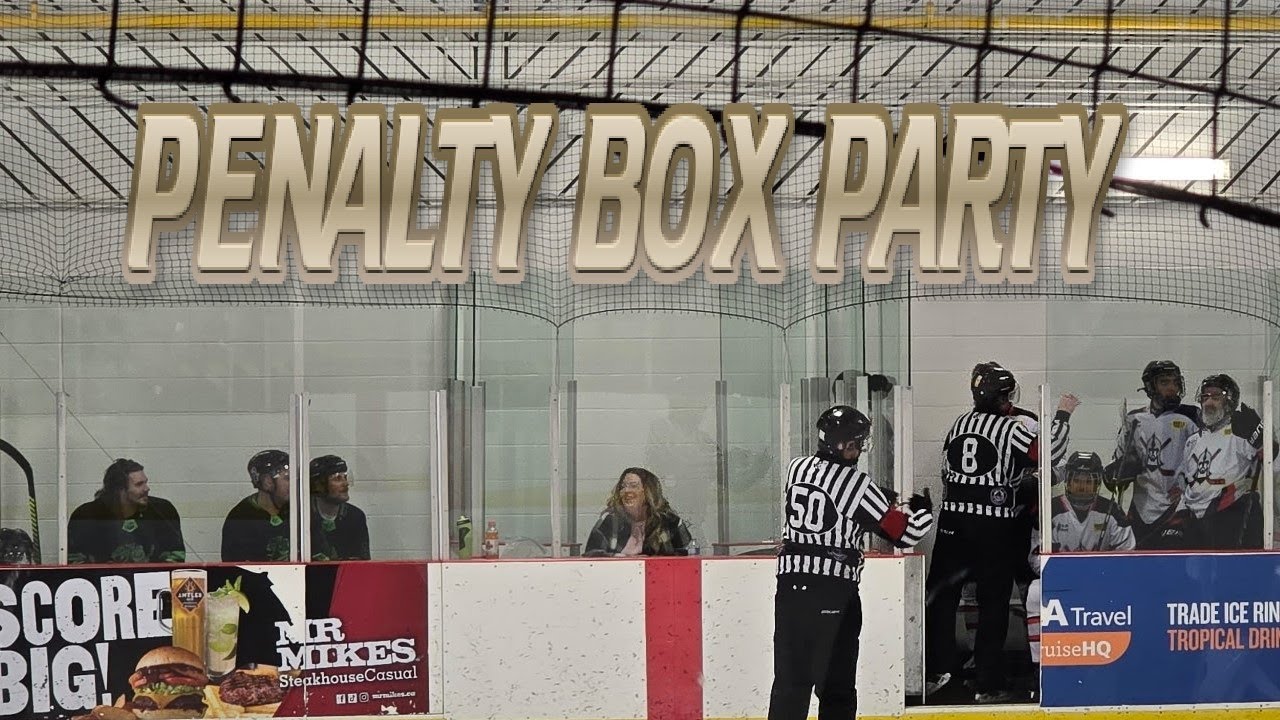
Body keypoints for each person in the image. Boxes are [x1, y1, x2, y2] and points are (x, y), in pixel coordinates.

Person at [767, 406, 934, 720]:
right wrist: (924, 511)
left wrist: (888, 496)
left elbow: (836, 488)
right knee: (837, 688)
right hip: (833, 592)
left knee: (790, 683)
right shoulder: (859, 486)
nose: (860, 447)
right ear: (843, 445)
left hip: (790, 590)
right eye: (857, 441)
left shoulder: (796, 468)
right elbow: (904, 534)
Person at [925, 361, 1039, 704]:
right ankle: (988, 682)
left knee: (942, 597)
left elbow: (947, 471)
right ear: (1003, 397)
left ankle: (939, 672)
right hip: (994, 528)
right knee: (994, 603)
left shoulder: (960, 423)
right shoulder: (1012, 428)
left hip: (952, 525)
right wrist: (1061, 418)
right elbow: (1045, 454)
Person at [1024, 451, 1135, 666]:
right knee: (1035, 593)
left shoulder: (1112, 510)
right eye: (1077, 481)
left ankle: (1118, 659)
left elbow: (1128, 552)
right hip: (1062, 580)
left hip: (1101, 580)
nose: (1082, 487)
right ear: (1068, 481)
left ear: (1097, 483)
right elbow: (1035, 556)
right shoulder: (1050, 510)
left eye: (1088, 481)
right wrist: (1063, 573)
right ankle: (1039, 665)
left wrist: (1104, 572)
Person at [1107, 360, 1200, 549]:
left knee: (1171, 563)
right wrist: (1119, 470)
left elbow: (1204, 459)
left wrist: (1189, 487)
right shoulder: (1134, 419)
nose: (1172, 388)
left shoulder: (1192, 416)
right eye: (1165, 382)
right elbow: (1118, 461)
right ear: (1150, 386)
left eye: (1175, 382)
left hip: (1177, 506)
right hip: (1141, 508)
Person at [1178, 374, 1268, 550]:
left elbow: (1276, 465)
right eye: (1206, 396)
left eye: (1216, 396)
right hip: (1196, 522)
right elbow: (1187, 485)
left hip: (1233, 514)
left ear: (1229, 401)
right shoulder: (1192, 441)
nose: (1209, 402)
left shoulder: (1242, 432)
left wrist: (1260, 441)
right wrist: (1179, 514)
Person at [67, 458, 185, 564]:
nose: (147, 488)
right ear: (120, 490)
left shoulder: (162, 511)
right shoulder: (85, 516)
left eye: (145, 482)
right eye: (139, 484)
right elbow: (75, 561)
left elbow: (175, 557)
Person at [584, 467, 693, 556]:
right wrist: (621, 558)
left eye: (633, 486)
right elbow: (590, 555)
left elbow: (689, 555)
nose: (626, 491)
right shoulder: (609, 521)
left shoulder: (670, 522)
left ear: (649, 492)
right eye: (623, 487)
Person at [221, 449, 292, 562]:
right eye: (287, 478)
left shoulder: (297, 510)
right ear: (267, 482)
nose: (293, 484)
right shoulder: (241, 518)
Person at [309, 454, 371, 561]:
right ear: (319, 484)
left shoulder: (355, 516)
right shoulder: (304, 515)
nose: (345, 483)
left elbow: (362, 561)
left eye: (345, 477)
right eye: (337, 478)